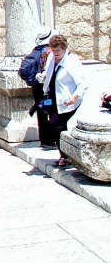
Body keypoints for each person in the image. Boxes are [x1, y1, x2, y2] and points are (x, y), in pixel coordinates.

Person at [42, 34, 87, 166]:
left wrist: (74, 97)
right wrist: (44, 75)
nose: (55, 53)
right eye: (53, 50)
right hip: (52, 98)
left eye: (58, 51)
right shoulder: (51, 57)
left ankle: (66, 156)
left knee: (56, 126)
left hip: (67, 100)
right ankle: (65, 155)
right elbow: (48, 71)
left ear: (64, 49)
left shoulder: (71, 62)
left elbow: (82, 84)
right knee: (53, 125)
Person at [19, 27, 58, 147]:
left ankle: (45, 140)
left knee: (41, 112)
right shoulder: (47, 51)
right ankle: (50, 140)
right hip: (45, 86)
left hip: (36, 86)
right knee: (51, 111)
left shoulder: (35, 50)